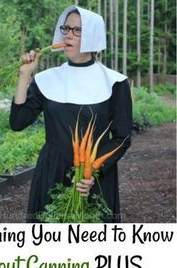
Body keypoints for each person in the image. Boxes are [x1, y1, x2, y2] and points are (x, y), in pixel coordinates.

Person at [10, 5, 132, 223]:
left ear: (93, 37)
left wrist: (93, 173)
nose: (67, 34)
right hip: (51, 173)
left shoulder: (115, 82)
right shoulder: (47, 79)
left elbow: (122, 137)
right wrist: (24, 76)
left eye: (77, 30)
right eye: (66, 28)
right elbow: (18, 122)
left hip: (93, 180)